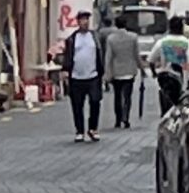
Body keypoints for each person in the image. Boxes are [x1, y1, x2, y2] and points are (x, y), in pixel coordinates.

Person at [60, 11, 105, 142]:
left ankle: (93, 128)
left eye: (87, 19)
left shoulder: (95, 37)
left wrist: (103, 71)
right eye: (82, 20)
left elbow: (101, 54)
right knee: (77, 105)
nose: (85, 22)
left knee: (95, 102)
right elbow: (68, 55)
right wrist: (65, 70)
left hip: (93, 76)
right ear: (78, 22)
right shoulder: (72, 38)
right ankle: (79, 130)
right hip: (76, 77)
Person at [101, 11, 143, 129]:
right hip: (129, 70)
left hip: (116, 71)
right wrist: (142, 68)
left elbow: (108, 57)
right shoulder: (133, 37)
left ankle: (118, 119)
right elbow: (136, 55)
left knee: (117, 96)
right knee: (127, 96)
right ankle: (126, 117)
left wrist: (107, 71)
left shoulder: (111, 39)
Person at [152, 18, 189, 116]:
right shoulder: (187, 43)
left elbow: (151, 59)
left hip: (165, 76)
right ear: (181, 28)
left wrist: (154, 73)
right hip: (180, 79)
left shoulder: (162, 42)